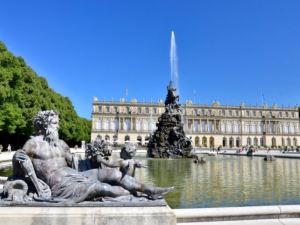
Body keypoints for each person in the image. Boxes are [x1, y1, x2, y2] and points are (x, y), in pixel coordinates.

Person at [13, 110, 173, 203]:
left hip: (75, 176)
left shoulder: (61, 144)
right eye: (55, 123)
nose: (58, 126)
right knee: (100, 187)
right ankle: (131, 195)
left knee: (113, 173)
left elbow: (78, 163)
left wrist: (96, 158)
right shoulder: (32, 144)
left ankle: (148, 189)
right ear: (45, 124)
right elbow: (18, 169)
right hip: (60, 187)